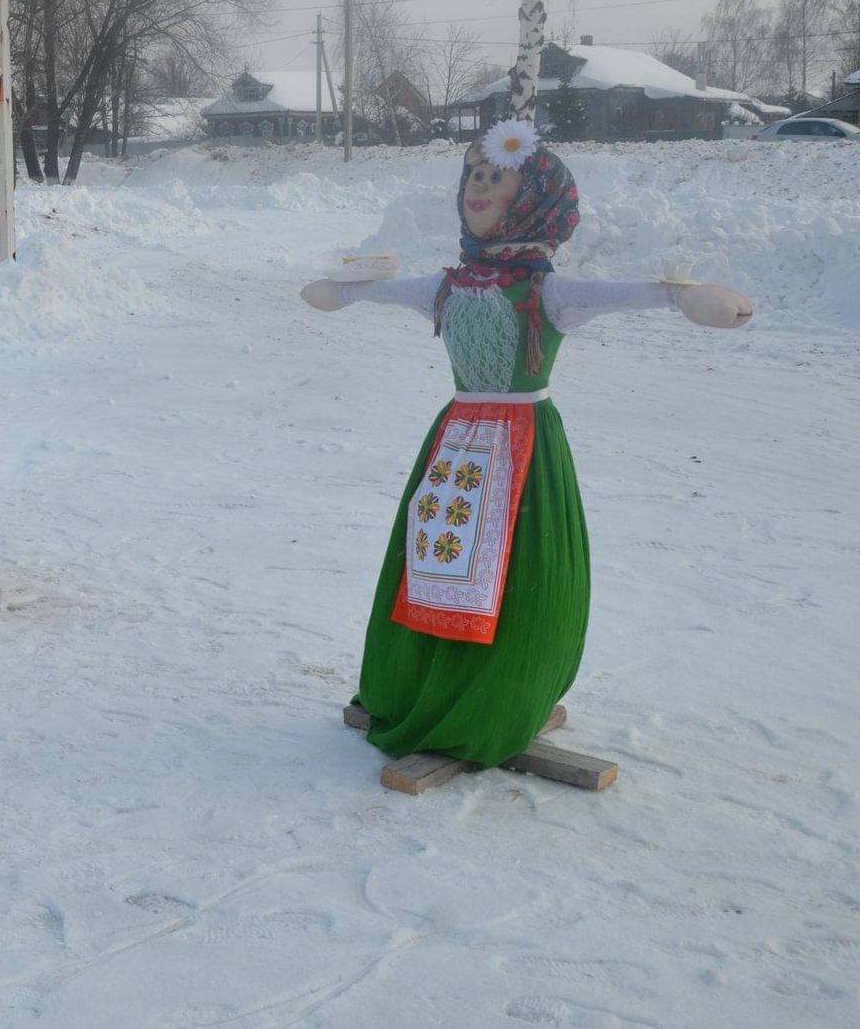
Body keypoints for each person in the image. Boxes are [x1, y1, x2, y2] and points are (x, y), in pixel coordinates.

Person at [301, 123, 756, 769]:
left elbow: (627, 294)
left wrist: (683, 299)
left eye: (496, 178)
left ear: (534, 198)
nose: (479, 189)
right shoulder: (450, 285)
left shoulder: (547, 293)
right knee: (433, 561)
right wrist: (343, 292)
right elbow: (382, 290)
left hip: (524, 453)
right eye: (475, 177)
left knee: (519, 579)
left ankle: (500, 697)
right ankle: (421, 686)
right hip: (456, 450)